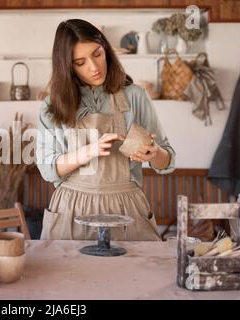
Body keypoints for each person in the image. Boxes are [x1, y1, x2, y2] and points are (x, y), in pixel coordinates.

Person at [36, 19, 176, 241]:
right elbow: (47, 168)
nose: (93, 67)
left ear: (106, 50)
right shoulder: (53, 106)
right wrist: (88, 152)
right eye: (80, 62)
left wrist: (155, 153)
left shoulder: (135, 96)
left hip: (127, 207)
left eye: (97, 54)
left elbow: (166, 161)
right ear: (67, 66)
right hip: (72, 208)